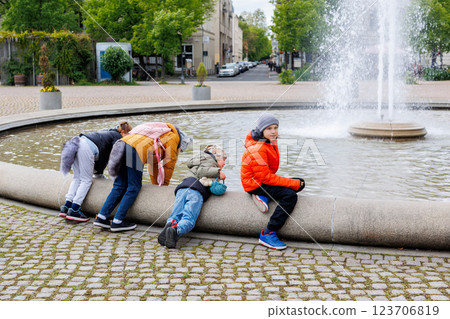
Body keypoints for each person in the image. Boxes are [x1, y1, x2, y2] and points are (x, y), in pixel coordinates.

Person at [93, 122, 193, 232]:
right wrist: (164, 185)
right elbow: (168, 165)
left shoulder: (160, 132)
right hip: (134, 150)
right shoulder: (173, 137)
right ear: (181, 144)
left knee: (119, 185)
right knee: (134, 187)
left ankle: (102, 217)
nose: (180, 152)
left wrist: (157, 185)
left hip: (121, 145)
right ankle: (118, 221)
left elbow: (154, 164)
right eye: (181, 150)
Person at [241, 114, 305, 250]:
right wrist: (293, 183)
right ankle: (268, 233)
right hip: (255, 184)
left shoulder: (269, 142)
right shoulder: (258, 148)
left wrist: (294, 182)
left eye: (275, 127)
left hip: (260, 180)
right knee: (290, 195)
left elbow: (267, 174)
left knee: (297, 183)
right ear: (261, 130)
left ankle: (263, 196)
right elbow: (267, 178)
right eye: (269, 128)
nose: (273, 131)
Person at [59, 121, 132, 222]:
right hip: (85, 147)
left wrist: (99, 173)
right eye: (129, 134)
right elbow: (112, 157)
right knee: (86, 180)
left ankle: (66, 207)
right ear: (123, 132)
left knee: (77, 178)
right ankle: (75, 209)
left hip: (76, 142)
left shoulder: (108, 132)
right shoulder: (118, 137)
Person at [158, 145, 227, 248]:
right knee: (189, 218)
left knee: (175, 215)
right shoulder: (211, 164)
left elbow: (199, 171)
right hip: (195, 191)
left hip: (182, 188)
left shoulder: (198, 160)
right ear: (216, 158)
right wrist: (218, 173)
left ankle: (170, 225)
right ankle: (176, 231)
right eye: (223, 160)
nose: (224, 163)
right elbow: (203, 173)